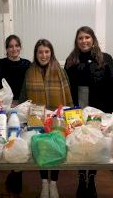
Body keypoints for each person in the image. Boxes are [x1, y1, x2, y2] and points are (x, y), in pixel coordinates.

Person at [64, 26, 113, 198]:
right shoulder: (71, 60)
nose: (84, 41)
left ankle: (92, 177)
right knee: (80, 142)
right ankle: (82, 177)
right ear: (76, 41)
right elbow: (66, 87)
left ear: (93, 39)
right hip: (78, 108)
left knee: (95, 142)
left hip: (99, 108)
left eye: (87, 37)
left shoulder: (105, 58)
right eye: (80, 38)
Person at [20, 39, 73, 198]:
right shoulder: (30, 71)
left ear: (51, 53)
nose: (43, 55)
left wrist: (67, 111)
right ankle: (44, 183)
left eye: (47, 52)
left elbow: (67, 92)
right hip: (37, 117)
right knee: (42, 148)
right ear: (36, 54)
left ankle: (53, 184)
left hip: (57, 116)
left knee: (56, 146)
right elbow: (24, 95)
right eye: (40, 52)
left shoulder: (60, 70)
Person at [0, 34, 30, 195]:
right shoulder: (0, 64)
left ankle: (16, 175)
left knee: (19, 140)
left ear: (20, 47)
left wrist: (21, 102)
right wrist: (7, 103)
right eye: (10, 46)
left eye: (16, 46)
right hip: (5, 110)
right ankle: (12, 172)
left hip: (23, 108)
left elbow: (31, 86)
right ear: (6, 49)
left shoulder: (28, 64)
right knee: (7, 139)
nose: (14, 49)